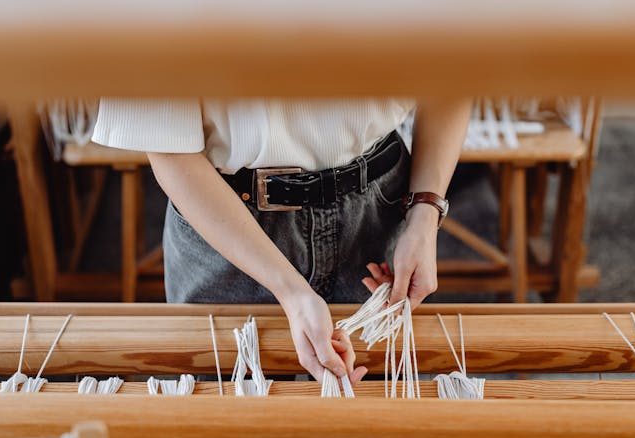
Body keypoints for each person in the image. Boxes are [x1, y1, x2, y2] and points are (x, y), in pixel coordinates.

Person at [92, 97, 471, 384]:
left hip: (379, 210)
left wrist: (425, 209)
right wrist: (291, 291)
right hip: (227, 224)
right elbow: (169, 151)